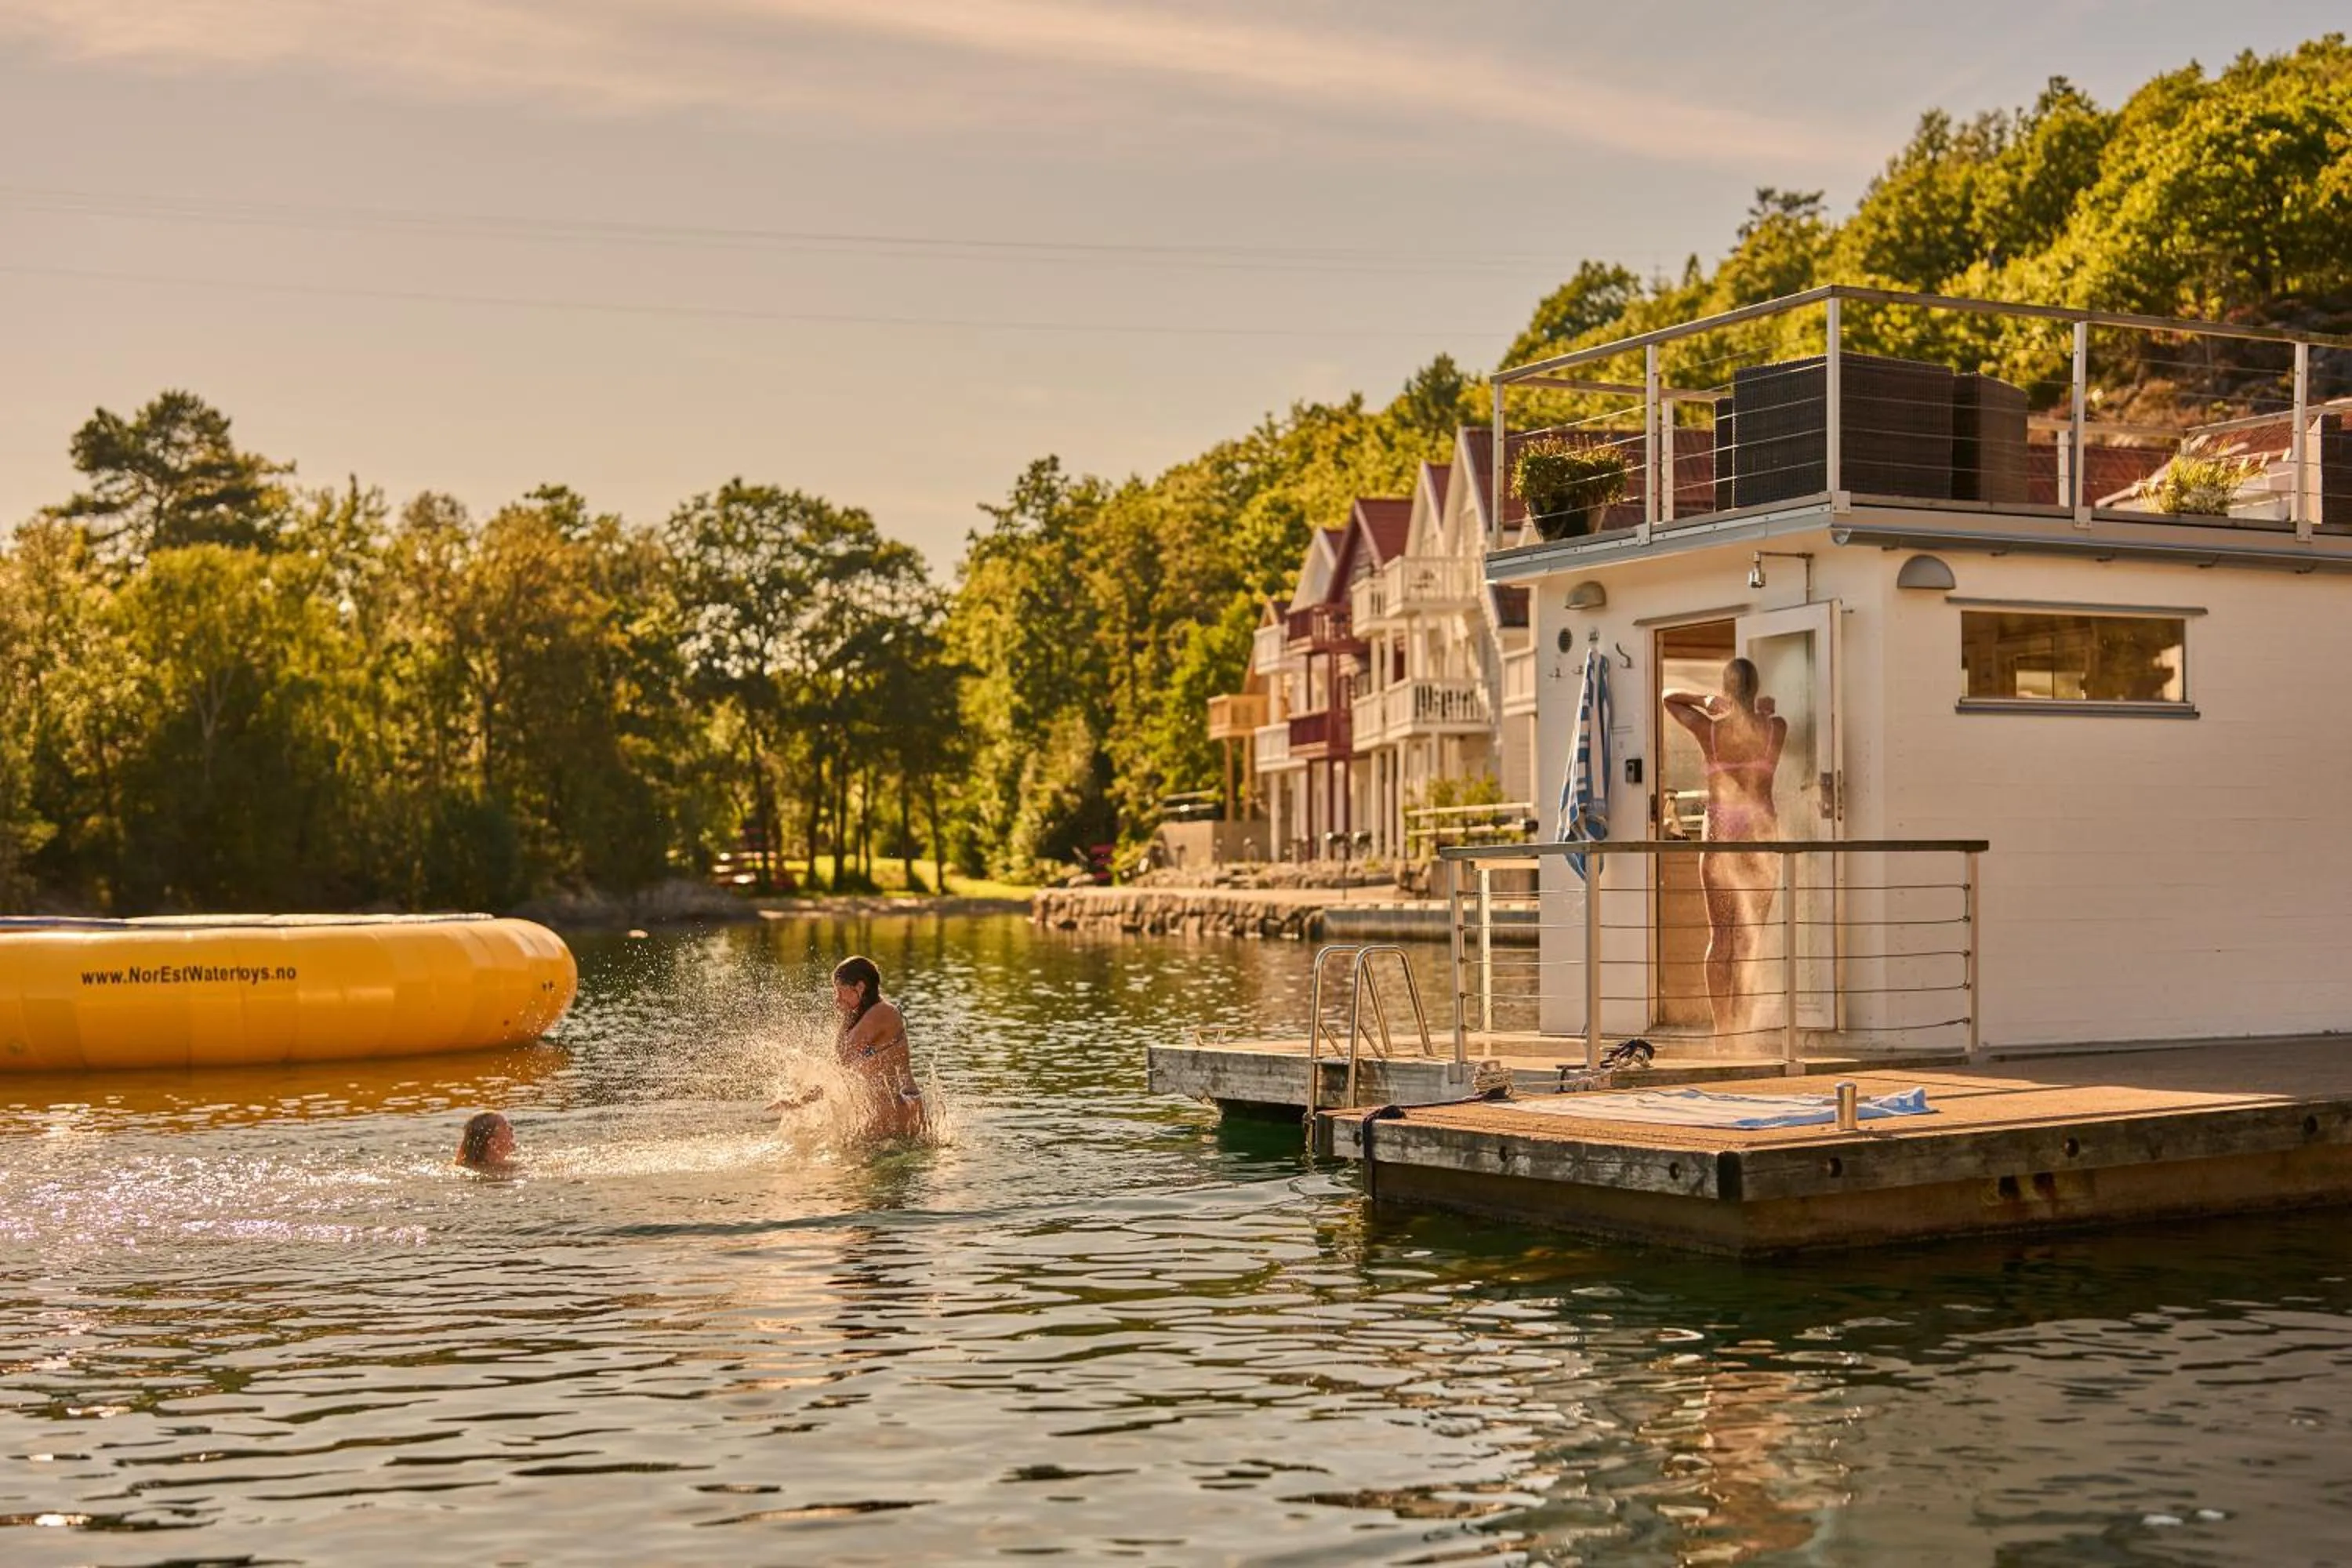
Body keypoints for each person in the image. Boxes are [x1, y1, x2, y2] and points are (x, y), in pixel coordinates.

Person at [1664, 658, 1788, 1039]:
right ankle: (1742, 1030)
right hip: (1760, 840)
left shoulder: (1710, 732)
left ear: (1726, 690)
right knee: (1750, 938)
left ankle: (1723, 1032)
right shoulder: (1774, 729)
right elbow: (1771, 715)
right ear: (1756, 688)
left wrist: (1705, 699)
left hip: (1721, 836)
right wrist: (1760, 708)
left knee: (1721, 937)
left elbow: (1669, 698)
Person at [769, 956, 926, 1140]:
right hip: (892, 1111)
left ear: (860, 987)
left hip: (901, 1108)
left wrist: (847, 1015)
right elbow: (840, 1073)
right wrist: (802, 1100)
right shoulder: (870, 1014)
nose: (837, 1000)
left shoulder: (883, 1012)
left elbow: (844, 1053)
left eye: (841, 992)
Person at [454, 1110, 519, 1173]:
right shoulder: (506, 1170)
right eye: (505, 1126)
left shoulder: (461, 1168)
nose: (511, 1128)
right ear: (493, 1144)